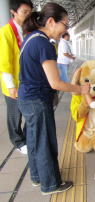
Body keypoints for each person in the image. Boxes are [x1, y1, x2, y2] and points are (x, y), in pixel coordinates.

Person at [18, 3, 89, 195]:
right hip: (37, 100)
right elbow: (55, 83)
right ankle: (50, 184)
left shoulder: (30, 38)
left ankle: (37, 176)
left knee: (33, 140)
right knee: (45, 143)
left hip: (26, 98)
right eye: (65, 25)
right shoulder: (43, 44)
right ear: (51, 21)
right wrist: (81, 89)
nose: (65, 30)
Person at [0, 0, 33, 154]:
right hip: (13, 82)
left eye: (29, 12)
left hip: (27, 80)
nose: (28, 15)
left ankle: (26, 137)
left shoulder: (27, 30)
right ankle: (18, 141)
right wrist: (11, 86)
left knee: (28, 110)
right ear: (13, 11)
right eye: (24, 12)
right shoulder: (6, 31)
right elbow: (4, 62)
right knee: (15, 114)